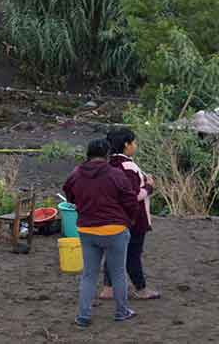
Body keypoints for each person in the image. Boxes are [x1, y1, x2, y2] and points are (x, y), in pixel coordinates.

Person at [63, 138, 140, 328]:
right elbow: (130, 200)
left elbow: (69, 194)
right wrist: (129, 220)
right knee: (118, 273)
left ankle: (83, 317)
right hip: (115, 230)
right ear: (107, 155)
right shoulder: (115, 174)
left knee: (88, 275)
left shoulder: (76, 173)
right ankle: (121, 312)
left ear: (88, 154)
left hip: (87, 229)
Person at [100, 127, 159, 301]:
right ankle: (141, 289)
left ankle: (107, 288)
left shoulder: (106, 163)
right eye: (134, 142)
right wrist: (149, 186)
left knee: (113, 251)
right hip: (133, 218)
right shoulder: (128, 166)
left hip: (112, 216)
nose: (135, 145)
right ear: (126, 144)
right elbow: (133, 195)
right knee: (133, 254)